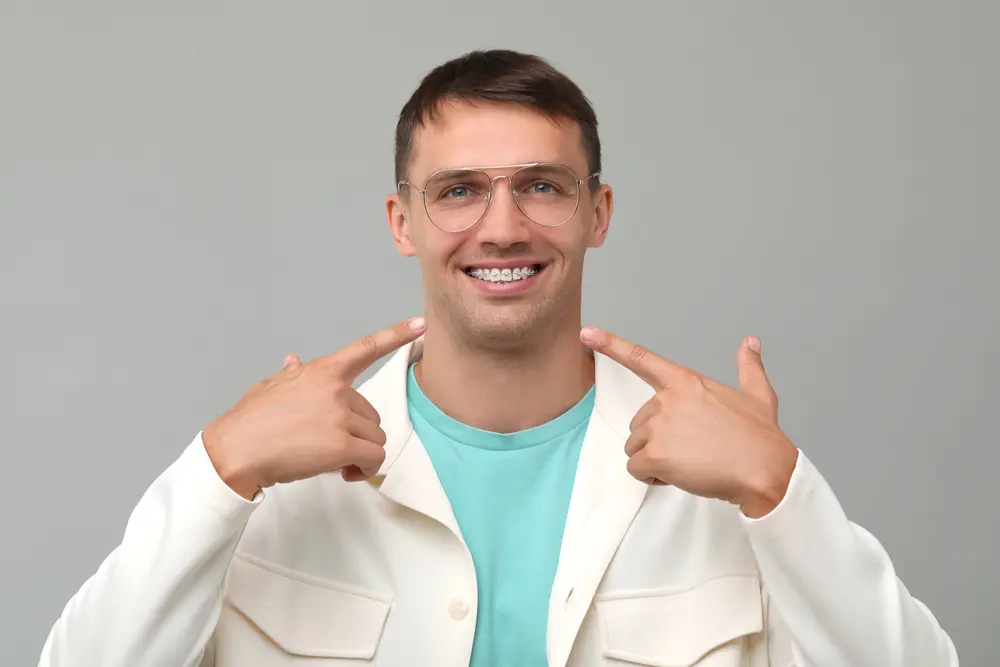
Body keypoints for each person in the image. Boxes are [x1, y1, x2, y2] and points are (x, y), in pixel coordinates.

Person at [37, 49, 958, 667]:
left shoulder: (721, 471)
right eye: (460, 190)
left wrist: (780, 487)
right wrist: (218, 468)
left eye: (543, 186)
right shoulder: (284, 472)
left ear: (599, 213)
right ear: (403, 222)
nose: (503, 225)